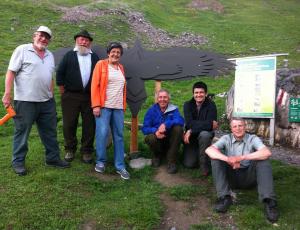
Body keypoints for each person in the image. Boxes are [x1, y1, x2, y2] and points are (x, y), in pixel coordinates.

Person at [2, 26, 70, 176]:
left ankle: (52, 158)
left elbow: (49, 76)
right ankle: (18, 162)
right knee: (22, 132)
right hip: (25, 101)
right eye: (41, 35)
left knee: (50, 132)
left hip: (46, 102)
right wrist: (7, 94)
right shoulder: (22, 50)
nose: (44, 39)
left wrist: (51, 95)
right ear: (34, 36)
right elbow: (11, 72)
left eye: (47, 37)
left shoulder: (49, 55)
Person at [205, 117, 279, 223]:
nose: (238, 128)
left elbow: (266, 152)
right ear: (231, 128)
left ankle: (269, 202)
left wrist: (241, 158)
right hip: (231, 178)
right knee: (215, 158)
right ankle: (225, 197)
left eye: (240, 125)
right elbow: (209, 150)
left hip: (249, 178)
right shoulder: (226, 138)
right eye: (235, 126)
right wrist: (229, 159)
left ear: (245, 127)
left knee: (263, 159)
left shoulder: (252, 138)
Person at [56, 30, 99, 164]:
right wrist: (64, 92)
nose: (84, 42)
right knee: (69, 124)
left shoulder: (95, 57)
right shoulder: (69, 55)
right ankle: (70, 149)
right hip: (70, 96)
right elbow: (60, 74)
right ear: (76, 41)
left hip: (89, 97)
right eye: (81, 39)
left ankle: (86, 151)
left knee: (89, 125)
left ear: (90, 43)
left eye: (87, 40)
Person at [91, 42, 130, 180]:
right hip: (104, 106)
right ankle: (101, 161)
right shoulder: (101, 64)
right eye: (113, 51)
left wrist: (123, 106)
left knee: (119, 135)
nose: (115, 54)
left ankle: (120, 166)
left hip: (118, 107)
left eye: (118, 52)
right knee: (102, 133)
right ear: (108, 53)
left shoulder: (121, 68)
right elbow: (94, 85)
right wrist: (95, 105)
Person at [142, 89, 184, 174]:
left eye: (165, 97)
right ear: (157, 99)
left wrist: (166, 124)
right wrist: (156, 131)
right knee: (150, 138)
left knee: (178, 128)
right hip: (157, 140)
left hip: (170, 140)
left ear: (168, 99)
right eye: (160, 97)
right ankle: (157, 156)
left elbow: (181, 120)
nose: (162, 99)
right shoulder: (151, 110)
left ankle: (171, 161)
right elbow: (145, 128)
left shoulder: (174, 109)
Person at [183, 81, 218, 176]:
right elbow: (190, 123)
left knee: (205, 134)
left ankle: (204, 165)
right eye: (196, 93)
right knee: (189, 164)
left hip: (205, 135)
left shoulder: (211, 105)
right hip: (192, 137)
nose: (199, 95)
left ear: (206, 94)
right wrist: (205, 124)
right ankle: (199, 154)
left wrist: (192, 129)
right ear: (193, 94)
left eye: (201, 92)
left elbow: (210, 125)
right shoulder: (187, 105)